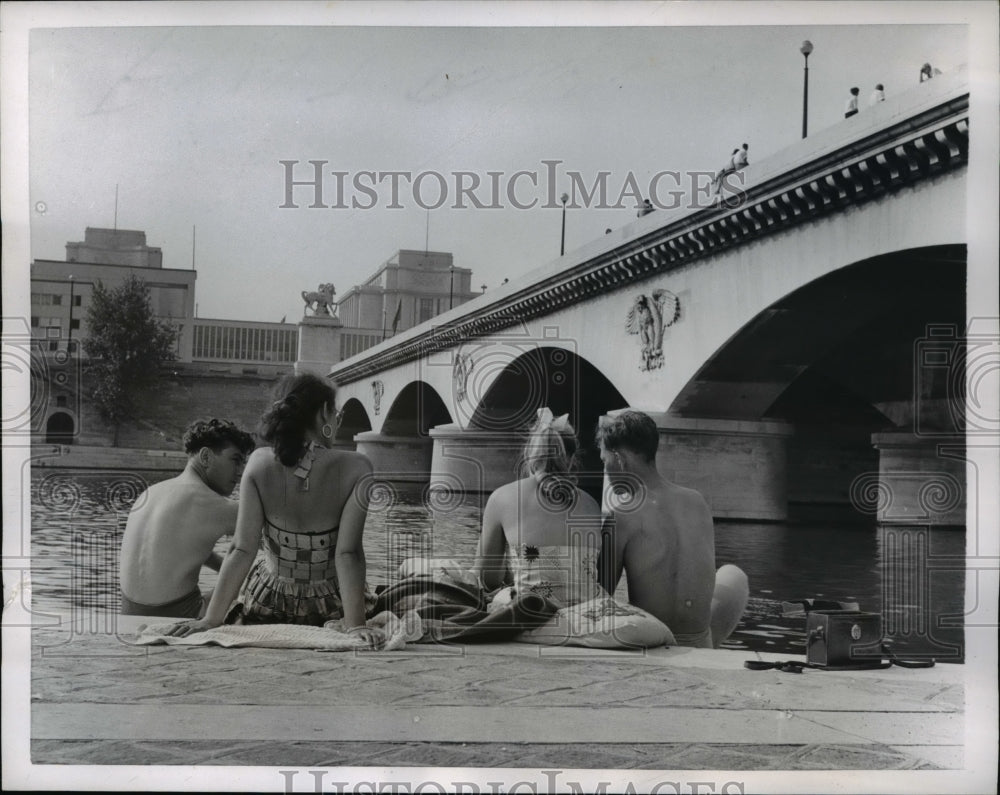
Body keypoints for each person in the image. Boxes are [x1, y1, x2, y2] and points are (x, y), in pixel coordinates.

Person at [164, 373, 380, 645]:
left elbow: (242, 549)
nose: (337, 420)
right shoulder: (358, 467)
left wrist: (211, 620)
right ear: (325, 412)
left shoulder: (258, 463)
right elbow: (348, 554)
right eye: (336, 413)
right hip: (330, 606)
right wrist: (354, 626)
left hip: (267, 604)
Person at [596, 410, 749, 648]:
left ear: (618, 458)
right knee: (734, 574)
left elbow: (600, 595)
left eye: (604, 461)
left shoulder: (622, 516)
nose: (605, 470)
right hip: (701, 643)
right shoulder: (697, 501)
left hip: (657, 642)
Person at [120, 419, 255, 618]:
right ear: (206, 456)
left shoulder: (150, 492)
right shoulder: (219, 506)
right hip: (181, 614)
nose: (240, 471)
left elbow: (180, 547)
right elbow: (282, 546)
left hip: (128, 613)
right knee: (262, 581)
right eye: (235, 460)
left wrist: (226, 567)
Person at [472, 408, 606, 607]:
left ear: (530, 453)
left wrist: (514, 571)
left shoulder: (501, 497)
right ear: (571, 459)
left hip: (532, 615)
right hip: (584, 615)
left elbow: (486, 579)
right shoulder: (591, 504)